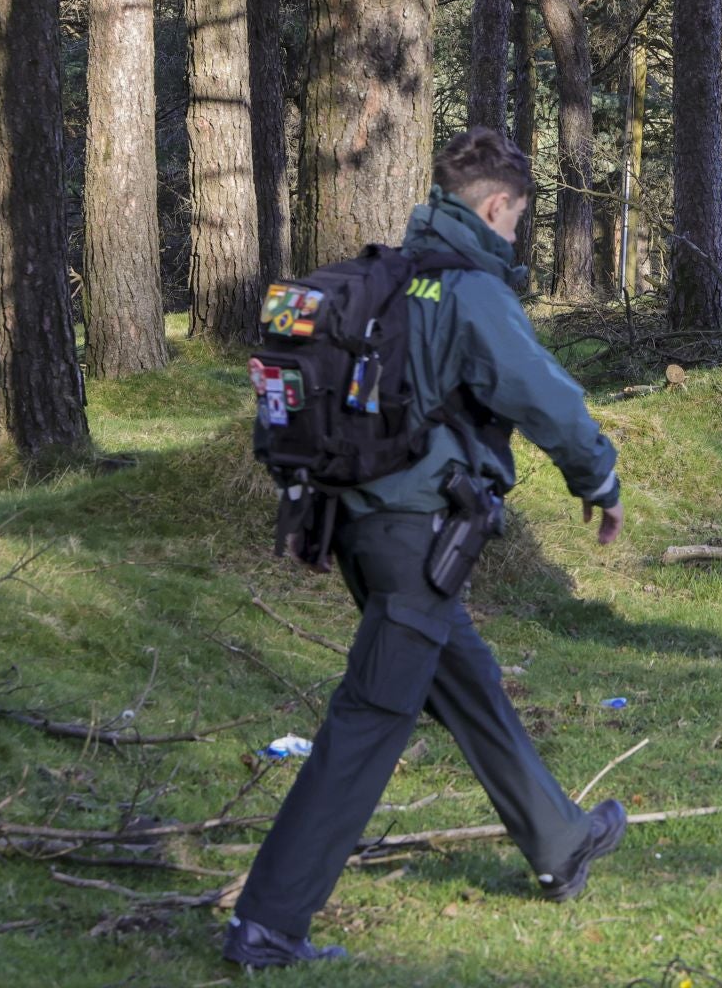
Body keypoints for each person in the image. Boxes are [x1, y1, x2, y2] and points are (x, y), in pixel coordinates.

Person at [224, 128, 628, 969]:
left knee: (466, 677)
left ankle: (560, 841)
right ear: (493, 206)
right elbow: (545, 399)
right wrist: (599, 480)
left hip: (354, 526)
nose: (516, 234)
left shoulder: (390, 281)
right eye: (516, 217)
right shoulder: (470, 294)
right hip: (420, 534)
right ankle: (267, 924)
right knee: (371, 717)